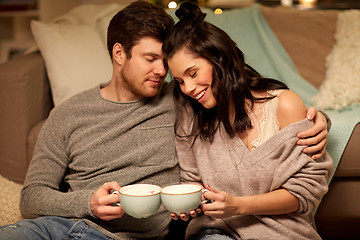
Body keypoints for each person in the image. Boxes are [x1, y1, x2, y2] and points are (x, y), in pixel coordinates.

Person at [0, 1, 328, 240]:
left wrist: (318, 120)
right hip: (53, 228)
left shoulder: (182, 99)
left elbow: (245, 97)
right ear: (119, 54)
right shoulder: (67, 114)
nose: (162, 72)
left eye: (166, 63)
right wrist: (88, 203)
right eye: (150, 59)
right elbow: (30, 198)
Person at [162, 2, 333, 240]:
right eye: (180, 81)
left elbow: (305, 193)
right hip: (215, 232)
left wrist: (239, 205)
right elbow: (193, 182)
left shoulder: (284, 105)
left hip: (283, 234)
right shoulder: (191, 116)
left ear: (220, 59)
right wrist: (187, 202)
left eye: (193, 73)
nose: (188, 88)